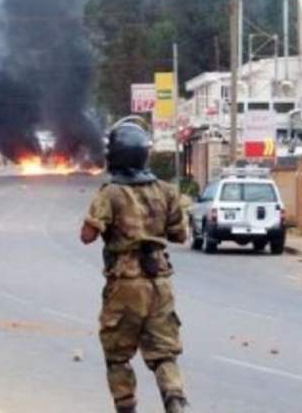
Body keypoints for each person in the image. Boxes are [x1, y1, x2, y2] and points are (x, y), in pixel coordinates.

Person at [80, 121, 191, 413]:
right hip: (159, 282)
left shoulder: (111, 193)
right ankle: (176, 401)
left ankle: (126, 407)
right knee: (164, 354)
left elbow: (87, 237)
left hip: (125, 285)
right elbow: (181, 235)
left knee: (117, 356)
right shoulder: (166, 191)